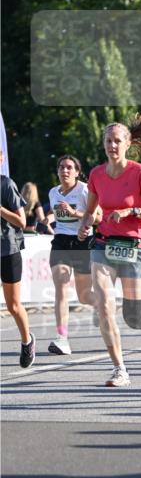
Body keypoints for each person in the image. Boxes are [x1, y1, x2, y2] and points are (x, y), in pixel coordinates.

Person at [78, 114, 141, 387]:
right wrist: (85, 225)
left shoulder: (140, 172)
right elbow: (91, 212)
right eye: (108, 141)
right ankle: (119, 369)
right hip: (104, 244)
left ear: (127, 144)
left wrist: (132, 211)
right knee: (105, 307)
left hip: (134, 248)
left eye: (117, 141)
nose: (112, 145)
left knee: (133, 317)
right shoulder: (96, 174)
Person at [46, 155, 96, 355]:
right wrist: (48, 218)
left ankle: (103, 304)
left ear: (77, 172)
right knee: (61, 286)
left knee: (84, 296)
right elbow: (58, 212)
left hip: (82, 242)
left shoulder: (85, 190)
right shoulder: (53, 192)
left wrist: (75, 214)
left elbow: (98, 217)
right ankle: (62, 338)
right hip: (60, 242)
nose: (64, 171)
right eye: (61, 167)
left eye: (69, 167)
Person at [1, 151, 35, 367]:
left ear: (1, 159)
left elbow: (21, 221)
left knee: (13, 306)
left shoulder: (6, 184)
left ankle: (27, 341)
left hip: (7, 250)